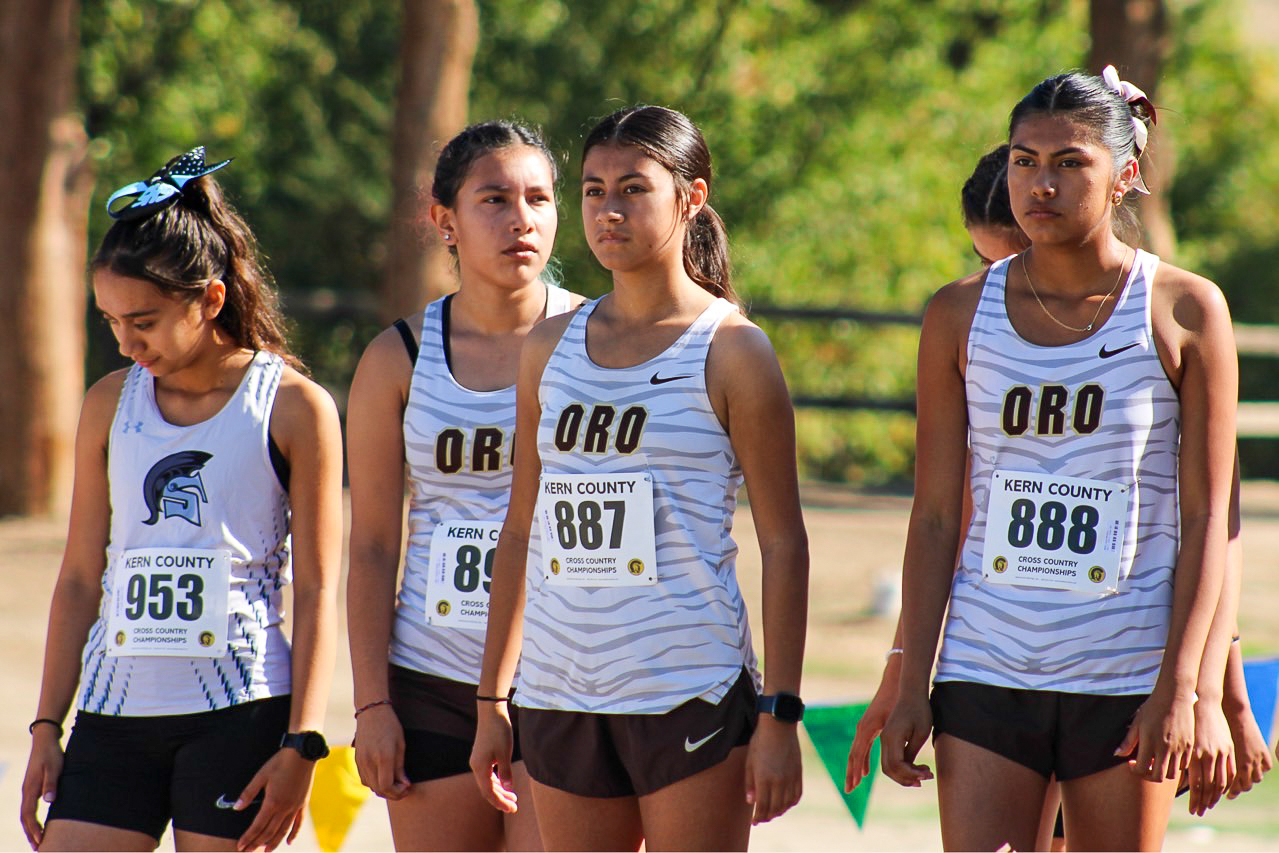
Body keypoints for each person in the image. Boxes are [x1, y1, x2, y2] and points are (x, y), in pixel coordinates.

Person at [879, 67, 1238, 851]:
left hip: (1125, 673)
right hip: (984, 664)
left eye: (1070, 162)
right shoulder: (956, 313)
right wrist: (910, 682)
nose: (1040, 184)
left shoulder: (1183, 308)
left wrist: (1188, 686)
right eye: (1023, 160)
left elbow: (1210, 516)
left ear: (1124, 176)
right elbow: (937, 513)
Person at [468, 105, 809, 852]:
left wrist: (780, 712)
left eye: (632, 188)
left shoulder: (733, 350)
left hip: (686, 690)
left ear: (690, 198)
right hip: (558, 692)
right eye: (591, 191)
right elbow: (521, 526)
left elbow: (784, 543)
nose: (608, 210)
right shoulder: (548, 345)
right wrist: (494, 696)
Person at [19, 147, 342, 852]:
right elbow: (79, 576)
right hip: (113, 709)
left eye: (145, 320)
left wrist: (303, 742)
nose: (127, 341)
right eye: (109, 321)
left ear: (211, 299)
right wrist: (48, 725)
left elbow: (318, 587)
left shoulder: (293, 407)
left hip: (242, 711)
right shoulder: (109, 403)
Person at [345, 120, 582, 851]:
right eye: (494, 199)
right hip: (431, 676)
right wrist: (372, 705)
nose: (521, 220)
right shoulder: (397, 356)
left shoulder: (596, 339)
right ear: (444, 220)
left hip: (565, 674)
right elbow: (375, 544)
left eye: (539, 198)